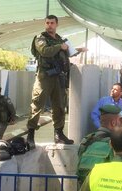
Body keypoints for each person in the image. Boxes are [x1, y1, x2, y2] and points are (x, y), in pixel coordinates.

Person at [26, 14, 87, 148]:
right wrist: (60, 46)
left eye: (52, 23)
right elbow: (44, 51)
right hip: (45, 76)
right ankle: (30, 136)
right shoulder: (40, 38)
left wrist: (78, 50)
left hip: (58, 76)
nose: (49, 25)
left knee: (59, 106)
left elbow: (67, 51)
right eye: (47, 23)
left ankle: (58, 134)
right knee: (37, 104)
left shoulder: (59, 39)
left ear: (56, 24)